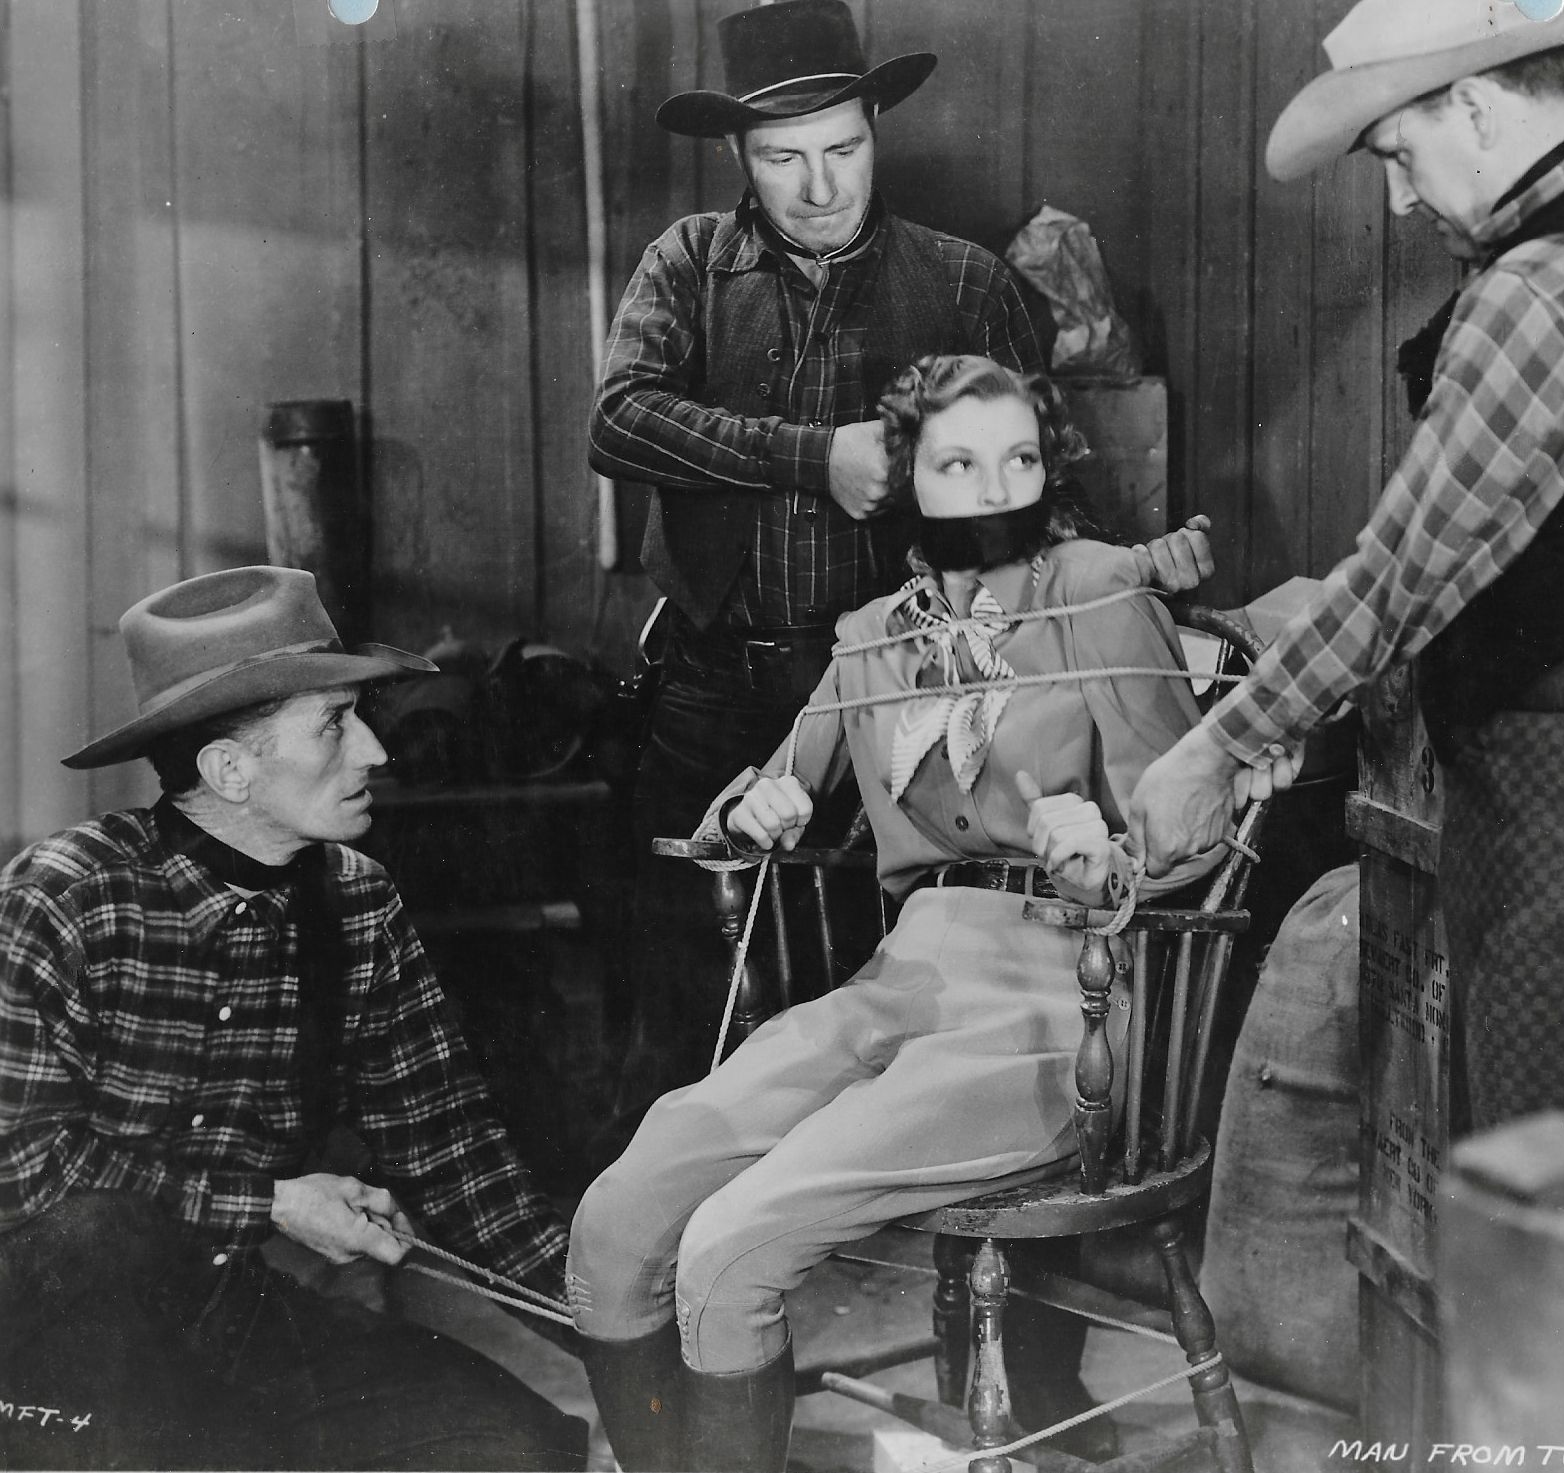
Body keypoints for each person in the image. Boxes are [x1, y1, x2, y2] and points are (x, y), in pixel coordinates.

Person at [588, 0, 1211, 1443]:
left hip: (1049, 984)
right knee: (638, 1197)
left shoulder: (975, 312)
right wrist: (764, 797)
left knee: (737, 1236)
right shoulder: (691, 271)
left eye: (843, 150)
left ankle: (1024, 1387)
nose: (819, 183)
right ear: (741, 155)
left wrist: (1097, 832)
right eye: (784, 158)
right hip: (764, 728)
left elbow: (1177, 830)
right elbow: (622, 415)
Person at [1130, 0, 1564, 1134]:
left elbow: (1403, 574)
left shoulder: (1542, 286)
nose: (1401, 197)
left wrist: (1219, 744)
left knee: (1541, 1246)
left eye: (1401, 155)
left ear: (1476, 107)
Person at [0, 567, 586, 1471]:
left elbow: (457, 1158)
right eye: (333, 725)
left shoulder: (357, 905)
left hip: (217, 1312)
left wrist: (615, 1325)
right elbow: (20, 1174)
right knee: (102, 1243)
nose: (376, 754)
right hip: (34, 1347)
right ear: (229, 769)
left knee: (520, 1449)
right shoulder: (65, 900)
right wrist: (272, 1203)